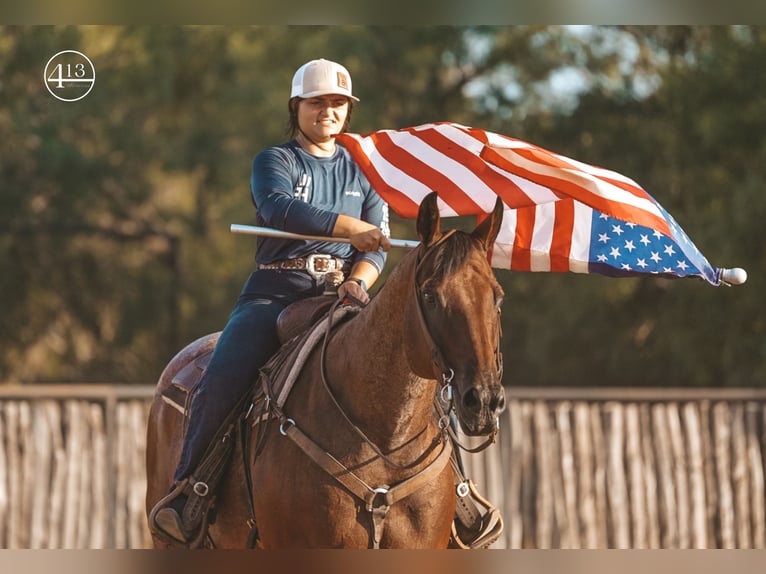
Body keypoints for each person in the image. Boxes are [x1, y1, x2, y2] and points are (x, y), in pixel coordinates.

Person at [150, 58, 391, 545]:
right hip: (275, 293)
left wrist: (359, 280)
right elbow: (280, 208)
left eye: (338, 103)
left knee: (406, 368)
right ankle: (189, 492)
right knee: (223, 375)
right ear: (296, 106)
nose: (329, 111)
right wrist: (350, 230)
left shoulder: (366, 172)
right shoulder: (275, 160)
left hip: (344, 294)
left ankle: (457, 497)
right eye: (318, 102)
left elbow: (380, 244)